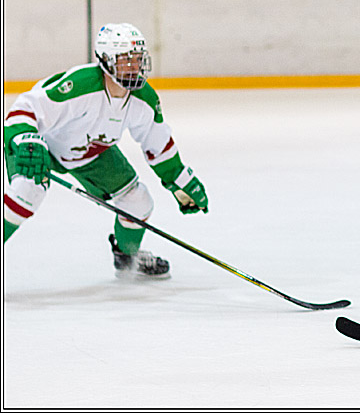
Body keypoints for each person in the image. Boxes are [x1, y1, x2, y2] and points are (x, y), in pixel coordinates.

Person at [3, 23, 209, 277]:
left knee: (138, 201)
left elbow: (157, 142)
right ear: (106, 61)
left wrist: (179, 179)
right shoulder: (81, 84)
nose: (133, 66)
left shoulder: (143, 98)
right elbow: (27, 106)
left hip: (89, 154)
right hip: (40, 146)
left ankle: (127, 256)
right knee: (28, 190)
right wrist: (25, 138)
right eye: (125, 60)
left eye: (137, 59)